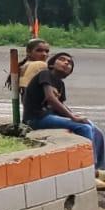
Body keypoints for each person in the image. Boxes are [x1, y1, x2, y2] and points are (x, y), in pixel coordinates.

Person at [22, 51, 105, 189]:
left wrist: (76, 117)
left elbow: (61, 106)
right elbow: (51, 99)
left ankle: (98, 168)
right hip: (36, 118)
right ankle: (89, 172)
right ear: (52, 64)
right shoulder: (45, 74)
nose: (66, 63)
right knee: (84, 128)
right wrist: (73, 118)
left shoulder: (60, 84)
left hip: (49, 117)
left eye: (70, 63)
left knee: (94, 128)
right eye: (62, 60)